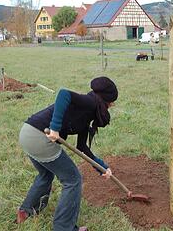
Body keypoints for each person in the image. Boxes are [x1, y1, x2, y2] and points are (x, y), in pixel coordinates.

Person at [17, 76, 118, 231]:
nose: (112, 105)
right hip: (39, 136)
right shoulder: (89, 102)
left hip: (27, 133)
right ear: (105, 100)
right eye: (111, 102)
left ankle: (26, 210)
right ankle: (64, 228)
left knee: (46, 175)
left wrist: (102, 167)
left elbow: (82, 148)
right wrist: (55, 127)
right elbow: (64, 94)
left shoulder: (86, 115)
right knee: (73, 180)